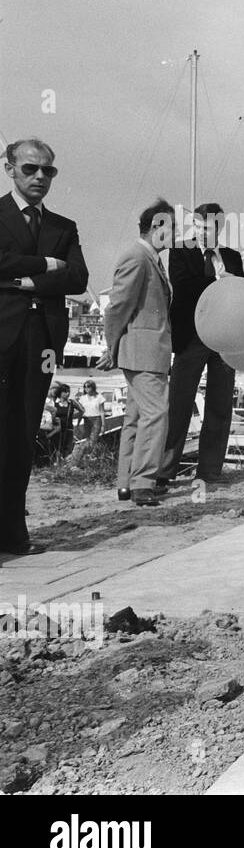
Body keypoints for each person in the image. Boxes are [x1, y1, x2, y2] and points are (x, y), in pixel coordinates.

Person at [0, 138, 89, 556]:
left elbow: (78, 279)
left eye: (47, 171)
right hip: (2, 336)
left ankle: (14, 535)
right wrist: (45, 264)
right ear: (10, 169)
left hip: (43, 341)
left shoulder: (63, 226)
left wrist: (22, 278)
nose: (39, 177)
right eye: (30, 169)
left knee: (22, 436)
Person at [160, 202, 244, 486]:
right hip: (191, 337)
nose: (200, 232)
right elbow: (183, 289)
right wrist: (221, 282)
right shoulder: (180, 252)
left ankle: (210, 471)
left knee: (220, 405)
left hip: (225, 339)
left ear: (218, 228)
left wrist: (232, 283)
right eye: (196, 226)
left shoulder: (232, 257)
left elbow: (242, 295)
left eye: (206, 227)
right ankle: (165, 470)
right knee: (179, 403)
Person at [100, 199, 175, 507]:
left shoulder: (149, 259)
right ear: (156, 227)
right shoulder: (137, 257)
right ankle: (143, 481)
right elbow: (117, 307)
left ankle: (126, 483)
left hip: (145, 351)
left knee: (136, 416)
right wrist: (111, 345)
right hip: (144, 351)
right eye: (171, 228)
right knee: (156, 415)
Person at [50, 383, 82, 458]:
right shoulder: (54, 404)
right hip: (57, 430)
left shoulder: (71, 403)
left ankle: (64, 466)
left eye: (69, 391)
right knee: (56, 449)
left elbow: (82, 411)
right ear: (60, 393)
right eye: (65, 392)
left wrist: (72, 417)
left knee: (67, 450)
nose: (67, 393)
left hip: (68, 429)